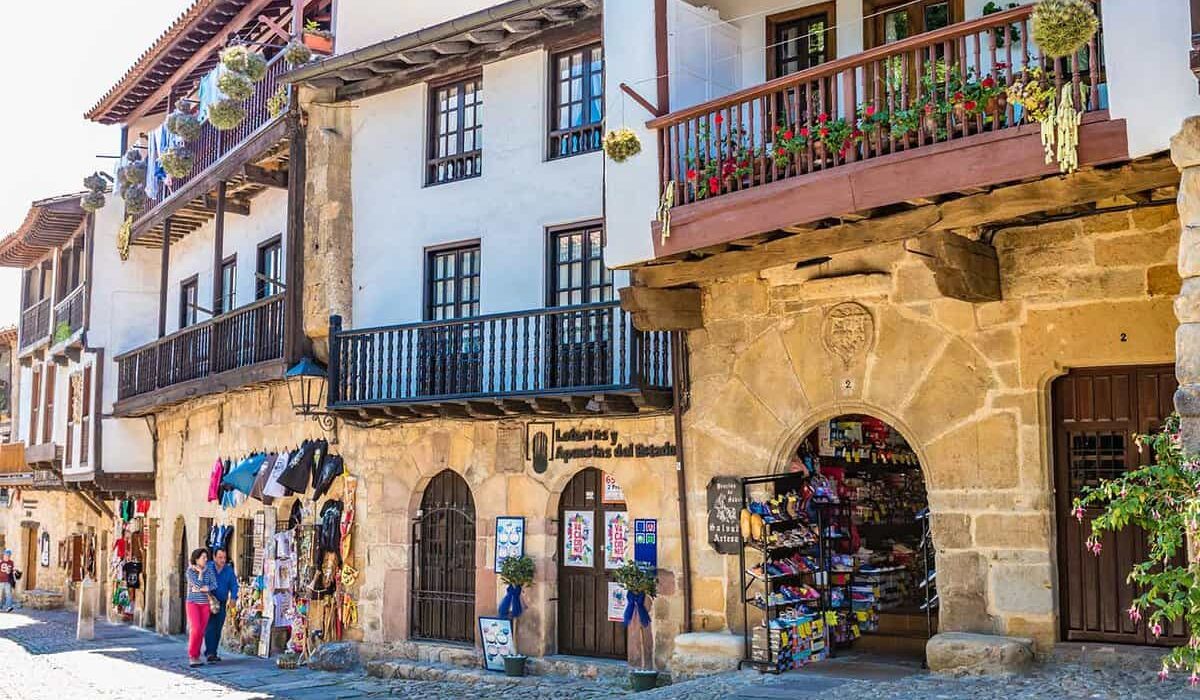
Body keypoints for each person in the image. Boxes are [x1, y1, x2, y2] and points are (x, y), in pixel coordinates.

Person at [203, 548, 239, 663]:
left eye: (224, 557)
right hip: (209, 601)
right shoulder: (208, 567)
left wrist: (233, 597)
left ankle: (213, 651)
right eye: (220, 557)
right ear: (214, 557)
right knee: (209, 626)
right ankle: (210, 652)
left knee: (218, 627)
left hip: (222, 602)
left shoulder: (228, 570)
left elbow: (234, 584)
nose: (223, 560)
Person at [185, 548, 217, 667]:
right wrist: (201, 574)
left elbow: (214, 584)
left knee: (201, 631)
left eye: (206, 557)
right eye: (203, 557)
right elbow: (197, 585)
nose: (205, 559)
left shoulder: (209, 570)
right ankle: (192, 656)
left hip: (205, 604)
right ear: (196, 559)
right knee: (196, 629)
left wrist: (205, 588)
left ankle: (197, 656)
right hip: (193, 603)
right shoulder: (190, 571)